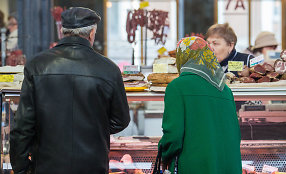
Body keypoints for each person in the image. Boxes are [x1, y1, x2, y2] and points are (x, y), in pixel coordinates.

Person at [10, 7, 130, 174]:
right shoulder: (109, 69)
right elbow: (120, 120)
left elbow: (22, 126)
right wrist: (92, 127)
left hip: (47, 165)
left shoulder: (37, 65)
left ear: (62, 31)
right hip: (92, 165)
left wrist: (21, 168)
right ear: (92, 33)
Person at [158, 37, 242, 173]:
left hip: (194, 166)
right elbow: (235, 134)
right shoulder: (225, 89)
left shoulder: (177, 86)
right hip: (228, 166)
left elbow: (173, 135)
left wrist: (164, 154)